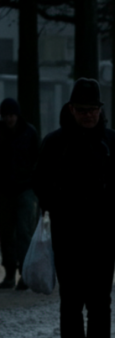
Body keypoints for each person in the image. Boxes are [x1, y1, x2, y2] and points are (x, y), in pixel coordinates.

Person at [34, 78, 115, 338]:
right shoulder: (63, 143)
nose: (88, 115)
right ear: (71, 109)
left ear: (99, 110)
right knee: (76, 305)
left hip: (97, 234)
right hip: (71, 234)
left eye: (92, 110)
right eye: (83, 110)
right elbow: (39, 183)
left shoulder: (109, 143)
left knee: (95, 305)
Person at [0, 98, 40, 290]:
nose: (8, 119)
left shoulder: (29, 133)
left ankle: (22, 274)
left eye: (11, 115)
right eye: (6, 115)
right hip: (8, 190)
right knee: (8, 234)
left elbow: (38, 161)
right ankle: (10, 274)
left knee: (23, 232)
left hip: (24, 188)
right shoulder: (27, 132)